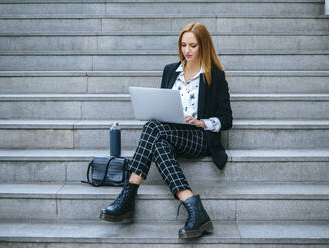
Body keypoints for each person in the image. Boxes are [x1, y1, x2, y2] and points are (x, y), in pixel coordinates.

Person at [99, 22, 233, 239]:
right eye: (183, 45)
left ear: (204, 47)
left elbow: (227, 119)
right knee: (158, 142)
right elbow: (164, 104)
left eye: (193, 45)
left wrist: (202, 122)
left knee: (152, 128)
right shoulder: (171, 71)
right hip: (168, 133)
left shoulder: (214, 76)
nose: (187, 51)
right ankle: (194, 208)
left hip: (198, 137)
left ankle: (128, 195)